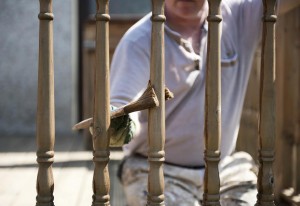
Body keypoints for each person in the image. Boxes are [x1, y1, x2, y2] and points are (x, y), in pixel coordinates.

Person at [106, 0, 300, 205]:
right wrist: (120, 123)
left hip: (224, 169)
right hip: (153, 169)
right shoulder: (138, 40)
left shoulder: (240, 15)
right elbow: (123, 103)